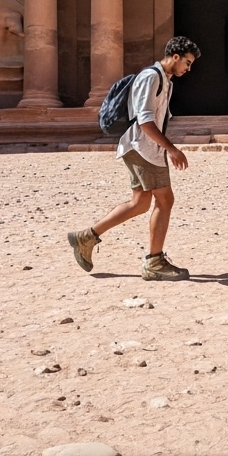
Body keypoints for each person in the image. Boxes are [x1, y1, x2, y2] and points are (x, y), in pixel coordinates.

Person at [68, 36, 201, 280]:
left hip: (145, 148)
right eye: (187, 62)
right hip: (143, 148)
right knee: (165, 200)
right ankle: (154, 262)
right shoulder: (151, 77)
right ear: (175, 57)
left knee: (140, 203)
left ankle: (86, 237)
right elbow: (145, 120)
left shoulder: (167, 81)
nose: (188, 68)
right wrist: (171, 149)